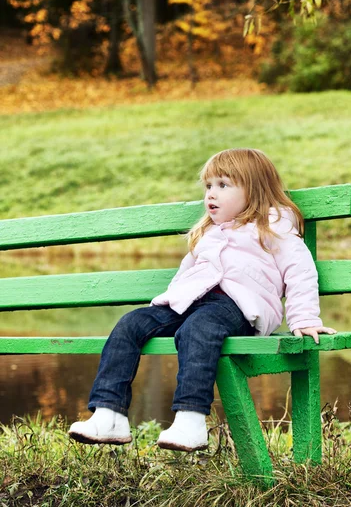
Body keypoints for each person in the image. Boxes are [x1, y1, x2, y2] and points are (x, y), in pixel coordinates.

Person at [68, 148, 336, 451]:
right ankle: (108, 414)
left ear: (255, 189)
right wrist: (168, 303)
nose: (212, 194)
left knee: (198, 328)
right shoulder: (210, 232)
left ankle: (190, 420)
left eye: (223, 185)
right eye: (209, 186)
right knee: (132, 323)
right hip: (191, 303)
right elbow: (187, 274)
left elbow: (300, 272)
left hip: (238, 308)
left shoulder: (273, 226)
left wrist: (304, 319)